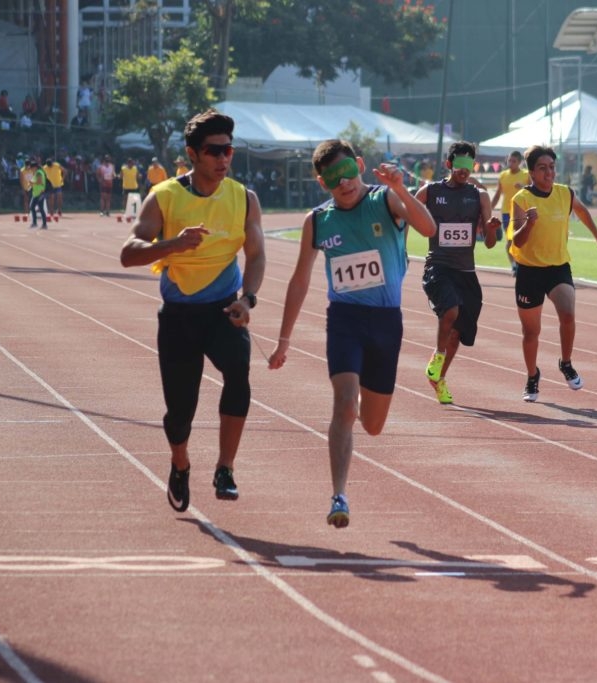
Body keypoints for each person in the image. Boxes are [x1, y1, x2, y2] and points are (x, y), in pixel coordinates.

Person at [267, 139, 436, 528]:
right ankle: (339, 495)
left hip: (385, 322)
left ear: (360, 165)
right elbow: (299, 280)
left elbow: (428, 228)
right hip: (344, 319)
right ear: (321, 182)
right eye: (332, 179)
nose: (344, 183)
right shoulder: (318, 221)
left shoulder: (385, 201)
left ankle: (360, 396)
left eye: (348, 173)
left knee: (373, 425)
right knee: (345, 403)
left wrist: (400, 188)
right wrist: (284, 340)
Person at [119, 108, 266, 512]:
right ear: (193, 153)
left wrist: (246, 299)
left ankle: (225, 468)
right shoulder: (165, 196)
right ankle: (180, 464)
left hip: (224, 311)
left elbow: (255, 256)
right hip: (180, 317)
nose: (224, 159)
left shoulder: (243, 198)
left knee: (239, 373)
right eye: (215, 151)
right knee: (179, 412)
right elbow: (127, 254)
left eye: (229, 150)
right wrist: (172, 245)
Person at [510, 145, 597, 402]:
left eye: (552, 167)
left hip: (557, 268)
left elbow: (582, 211)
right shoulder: (521, 199)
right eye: (542, 168)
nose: (549, 173)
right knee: (531, 332)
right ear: (531, 172)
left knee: (568, 314)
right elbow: (518, 243)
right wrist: (529, 223)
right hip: (529, 271)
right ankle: (532, 376)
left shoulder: (565, 193)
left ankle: (565, 362)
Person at [419, 141, 501, 404]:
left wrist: (490, 228)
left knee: (458, 332)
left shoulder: (480, 196)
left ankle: (439, 378)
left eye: (469, 165)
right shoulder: (430, 192)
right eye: (459, 165)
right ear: (449, 164)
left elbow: (490, 243)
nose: (464, 171)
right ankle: (438, 355)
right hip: (438, 266)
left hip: (465, 271)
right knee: (450, 310)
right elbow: (404, 213)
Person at [490, 150, 529, 274]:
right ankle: (514, 265)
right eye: (509, 160)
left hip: (523, 211)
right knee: (510, 240)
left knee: (524, 240)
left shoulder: (526, 175)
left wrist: (523, 187)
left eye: (514, 161)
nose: (511, 163)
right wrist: (488, 209)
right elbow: (497, 194)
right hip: (507, 212)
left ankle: (523, 264)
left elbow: (535, 191)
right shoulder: (503, 175)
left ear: (519, 162)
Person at [28, 158, 48, 229]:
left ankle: (35, 223)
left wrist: (32, 182)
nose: (31, 169)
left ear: (35, 167)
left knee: (32, 207)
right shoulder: (37, 173)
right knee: (40, 208)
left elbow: (40, 182)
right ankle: (43, 224)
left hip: (39, 193)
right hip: (37, 193)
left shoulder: (39, 172)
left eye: (32, 168)